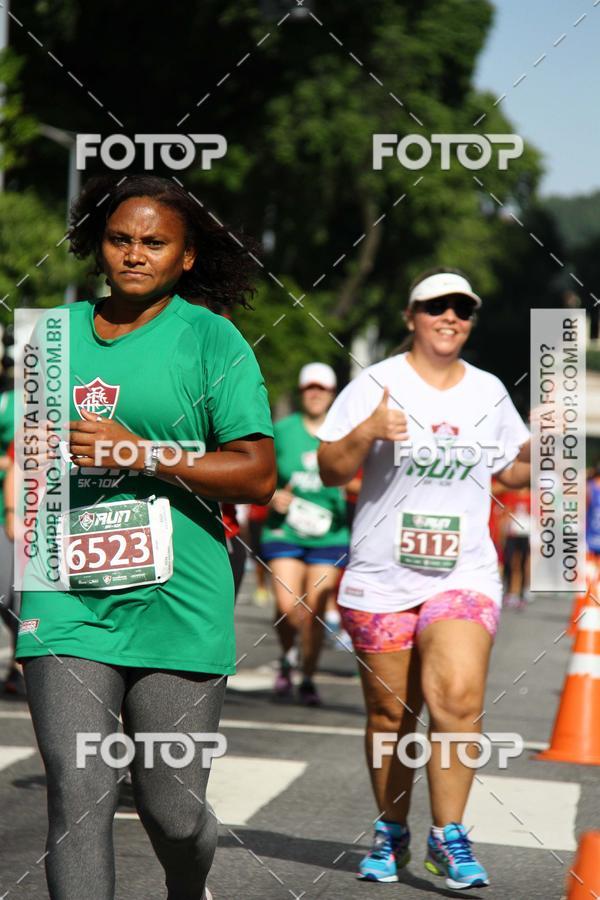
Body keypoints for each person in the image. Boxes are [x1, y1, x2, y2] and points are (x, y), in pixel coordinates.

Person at [14, 174, 276, 900]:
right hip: (67, 591)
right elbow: (34, 458)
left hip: (178, 598)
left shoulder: (209, 339)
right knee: (79, 789)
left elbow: (257, 474)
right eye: (120, 239)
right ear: (97, 246)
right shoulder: (52, 334)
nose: (135, 254)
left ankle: (189, 886)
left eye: (154, 243)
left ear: (186, 257)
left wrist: (141, 452)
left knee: (173, 812)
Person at [317, 268, 530, 891]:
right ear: (412, 315)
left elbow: (511, 473)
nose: (450, 318)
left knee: (457, 702)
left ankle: (449, 836)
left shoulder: (489, 391)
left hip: (462, 572)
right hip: (381, 576)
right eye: (437, 306)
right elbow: (331, 468)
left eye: (462, 309)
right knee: (391, 716)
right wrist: (366, 432)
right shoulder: (377, 383)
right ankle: (392, 830)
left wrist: (541, 448)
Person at [261, 362, 350, 706]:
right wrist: (271, 495)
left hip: (329, 533)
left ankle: (308, 677)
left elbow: (361, 475)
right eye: (309, 388)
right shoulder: (282, 430)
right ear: (301, 393)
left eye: (322, 388)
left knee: (315, 609)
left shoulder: (344, 431)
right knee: (287, 606)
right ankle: (287, 656)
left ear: (331, 394)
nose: (315, 394)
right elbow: (260, 471)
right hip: (284, 529)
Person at [0, 388, 19, 693]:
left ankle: (20, 665)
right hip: (8, 520)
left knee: (22, 598)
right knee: (5, 594)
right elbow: (16, 461)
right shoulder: (7, 402)